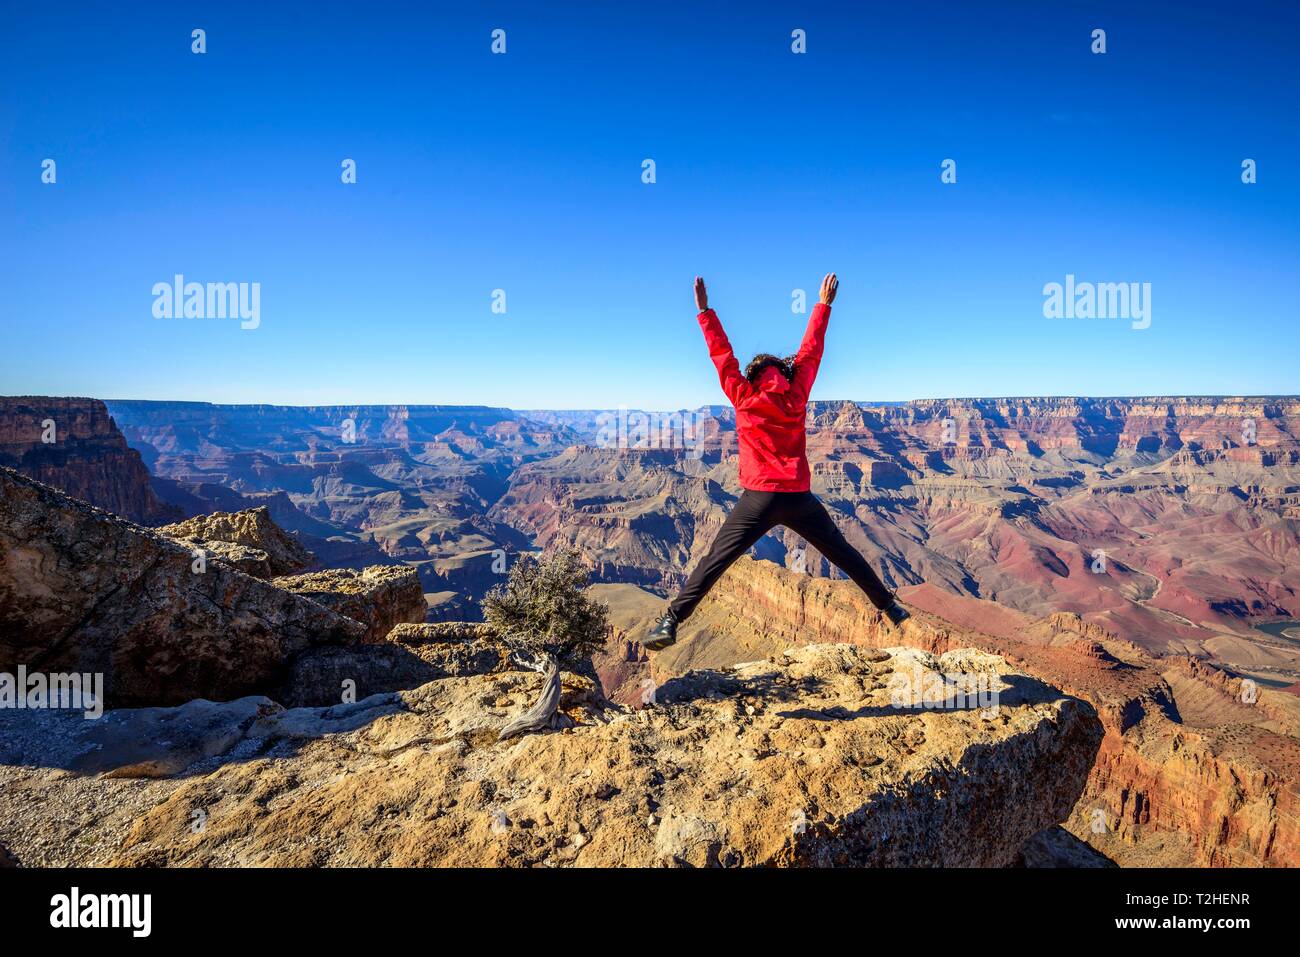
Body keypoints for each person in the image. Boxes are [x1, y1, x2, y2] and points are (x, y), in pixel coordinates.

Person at [642, 273, 910, 650]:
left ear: (752, 376)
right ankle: (890, 606)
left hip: (759, 499)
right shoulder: (796, 394)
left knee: (716, 559)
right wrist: (823, 304)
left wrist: (704, 311)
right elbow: (810, 351)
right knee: (844, 552)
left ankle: (670, 622)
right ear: (785, 374)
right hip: (798, 497)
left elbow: (722, 356)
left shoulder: (743, 395)